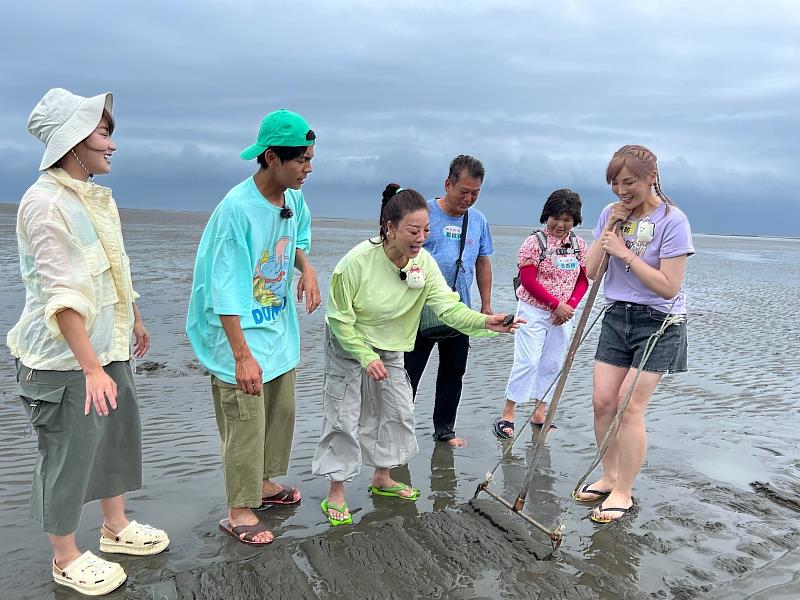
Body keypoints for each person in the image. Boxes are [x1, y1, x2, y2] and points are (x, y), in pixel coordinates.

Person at [8, 88, 169, 596]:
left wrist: (136, 320)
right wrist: (91, 368)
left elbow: (115, 272)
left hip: (108, 345)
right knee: (68, 454)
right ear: (74, 141)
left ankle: (115, 527)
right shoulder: (46, 202)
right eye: (103, 133)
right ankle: (64, 556)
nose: (112, 145)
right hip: (62, 359)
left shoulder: (95, 195)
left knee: (116, 438)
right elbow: (63, 293)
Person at [312, 184, 521, 526]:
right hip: (348, 346)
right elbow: (338, 318)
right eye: (413, 231)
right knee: (344, 415)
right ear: (390, 227)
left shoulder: (422, 263)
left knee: (397, 410)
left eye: (426, 230)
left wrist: (486, 322)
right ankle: (336, 492)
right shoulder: (355, 263)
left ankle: (382, 477)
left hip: (391, 346)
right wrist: (365, 356)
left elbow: (448, 308)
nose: (421, 238)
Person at [186, 109, 320, 546]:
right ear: (270, 158)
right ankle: (239, 509)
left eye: (310, 158)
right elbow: (223, 289)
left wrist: (308, 269)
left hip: (275, 328)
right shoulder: (236, 210)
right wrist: (241, 355)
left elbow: (297, 239)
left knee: (278, 413)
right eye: (300, 159)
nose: (308, 168)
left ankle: (262, 485)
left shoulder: (293, 199)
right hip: (235, 332)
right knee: (244, 419)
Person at [577, 145, 693, 523]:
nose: (621, 190)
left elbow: (668, 287)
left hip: (659, 322)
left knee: (629, 405)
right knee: (602, 401)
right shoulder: (612, 215)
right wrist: (609, 229)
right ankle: (610, 476)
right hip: (617, 316)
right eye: (614, 183)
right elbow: (591, 271)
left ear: (651, 178)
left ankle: (624, 491)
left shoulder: (673, 221)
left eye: (629, 182)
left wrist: (626, 254)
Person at [404, 155, 494, 447]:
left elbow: (483, 262)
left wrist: (486, 305)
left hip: (459, 309)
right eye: (463, 191)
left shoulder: (478, 221)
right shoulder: (423, 214)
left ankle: (444, 430)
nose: (468, 198)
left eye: (475, 193)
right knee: (408, 373)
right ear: (448, 184)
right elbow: (400, 255)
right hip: (418, 310)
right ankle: (399, 429)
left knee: (453, 372)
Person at [494, 189, 589, 439]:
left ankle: (540, 412)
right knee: (527, 361)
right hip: (533, 311)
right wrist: (553, 303)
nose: (560, 224)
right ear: (547, 215)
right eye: (556, 218)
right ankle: (508, 414)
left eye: (567, 219)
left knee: (553, 363)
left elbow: (582, 280)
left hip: (562, 315)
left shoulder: (579, 245)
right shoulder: (535, 242)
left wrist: (569, 307)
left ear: (575, 220)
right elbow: (527, 279)